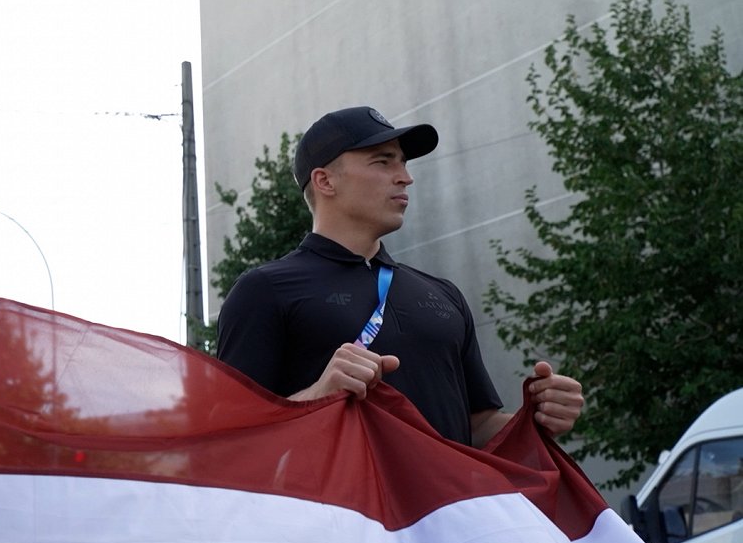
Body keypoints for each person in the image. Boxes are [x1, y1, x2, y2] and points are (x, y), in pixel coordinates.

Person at [216, 106, 583, 448]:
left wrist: (534, 419)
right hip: (339, 515)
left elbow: (476, 426)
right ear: (325, 181)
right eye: (383, 161)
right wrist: (317, 397)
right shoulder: (264, 290)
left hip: (442, 514)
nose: (405, 178)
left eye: (404, 163)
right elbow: (232, 440)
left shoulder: (443, 294)